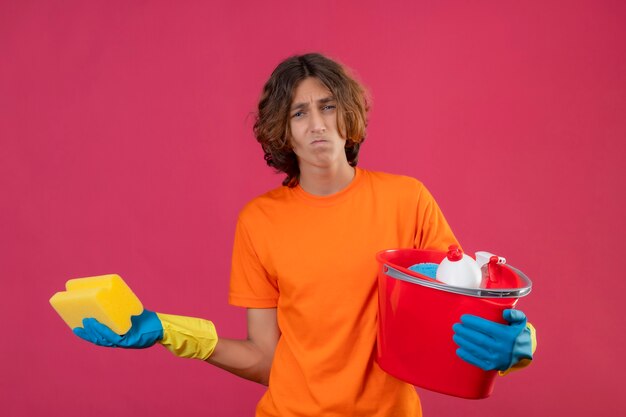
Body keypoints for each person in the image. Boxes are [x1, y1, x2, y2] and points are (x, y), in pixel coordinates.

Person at [74, 53, 536, 416]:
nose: (316, 124)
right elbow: (265, 360)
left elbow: (461, 316)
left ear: (348, 116)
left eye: (328, 106)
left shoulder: (407, 199)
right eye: (299, 114)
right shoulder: (260, 221)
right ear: (284, 134)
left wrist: (517, 349)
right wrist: (169, 331)